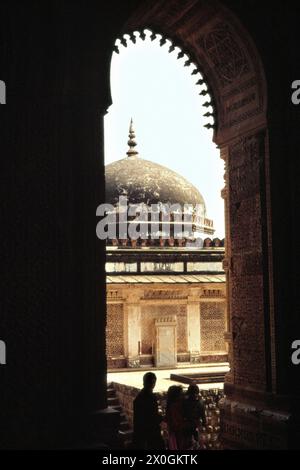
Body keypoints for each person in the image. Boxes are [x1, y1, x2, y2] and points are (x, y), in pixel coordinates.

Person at [132, 372, 165, 450]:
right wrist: (161, 418)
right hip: (150, 431)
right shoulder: (149, 397)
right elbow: (151, 416)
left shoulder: (140, 397)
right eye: (153, 382)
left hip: (141, 430)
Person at [183, 383, 206, 449]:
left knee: (188, 443)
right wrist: (204, 423)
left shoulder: (185, 402)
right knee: (196, 442)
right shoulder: (200, 402)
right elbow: (203, 415)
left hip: (187, 424)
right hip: (196, 424)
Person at [165, 385, 186, 450]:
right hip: (178, 433)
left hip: (176, 433)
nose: (183, 396)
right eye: (181, 394)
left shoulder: (171, 406)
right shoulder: (175, 407)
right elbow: (176, 423)